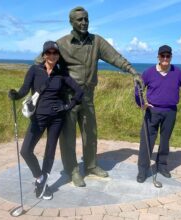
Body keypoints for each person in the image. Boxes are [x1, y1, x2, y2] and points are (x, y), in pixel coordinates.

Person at [35, 6, 140, 187]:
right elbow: (39, 63)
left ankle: (91, 166)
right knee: (67, 137)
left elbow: (115, 57)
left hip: (88, 97)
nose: (84, 23)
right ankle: (73, 170)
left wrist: (133, 72)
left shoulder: (96, 42)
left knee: (90, 133)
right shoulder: (61, 44)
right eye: (79, 20)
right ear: (71, 22)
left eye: (86, 19)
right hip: (67, 98)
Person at [8, 41, 83, 199]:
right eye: (48, 52)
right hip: (38, 117)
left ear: (58, 55)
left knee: (50, 151)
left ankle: (43, 185)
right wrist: (15, 95)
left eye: (55, 53)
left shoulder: (61, 74)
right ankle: (39, 178)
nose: (52, 55)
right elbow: (24, 89)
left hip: (57, 118)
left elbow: (79, 91)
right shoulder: (34, 70)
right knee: (26, 150)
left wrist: (68, 106)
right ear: (43, 55)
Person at [137, 45, 181, 183]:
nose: (165, 58)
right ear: (158, 57)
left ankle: (162, 166)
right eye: (163, 56)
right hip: (152, 111)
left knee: (165, 141)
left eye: (168, 56)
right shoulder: (148, 72)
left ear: (171, 57)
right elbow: (138, 89)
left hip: (170, 111)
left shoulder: (177, 72)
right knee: (147, 141)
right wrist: (142, 103)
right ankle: (142, 170)